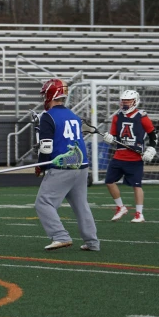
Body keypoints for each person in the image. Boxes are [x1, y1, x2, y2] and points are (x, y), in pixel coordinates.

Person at [34, 78, 100, 251]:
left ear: (50, 94)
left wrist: (41, 165)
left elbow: (46, 147)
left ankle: (60, 236)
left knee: (43, 202)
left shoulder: (48, 116)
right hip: (81, 164)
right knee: (81, 205)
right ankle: (92, 242)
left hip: (64, 164)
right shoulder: (73, 115)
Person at [102, 90, 157, 223]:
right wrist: (110, 138)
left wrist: (151, 149)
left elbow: (152, 134)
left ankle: (139, 214)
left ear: (135, 101)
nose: (125, 103)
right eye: (123, 100)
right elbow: (114, 136)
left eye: (128, 100)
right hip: (119, 155)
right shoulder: (117, 116)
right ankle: (121, 207)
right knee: (109, 181)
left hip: (135, 157)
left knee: (137, 186)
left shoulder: (141, 116)